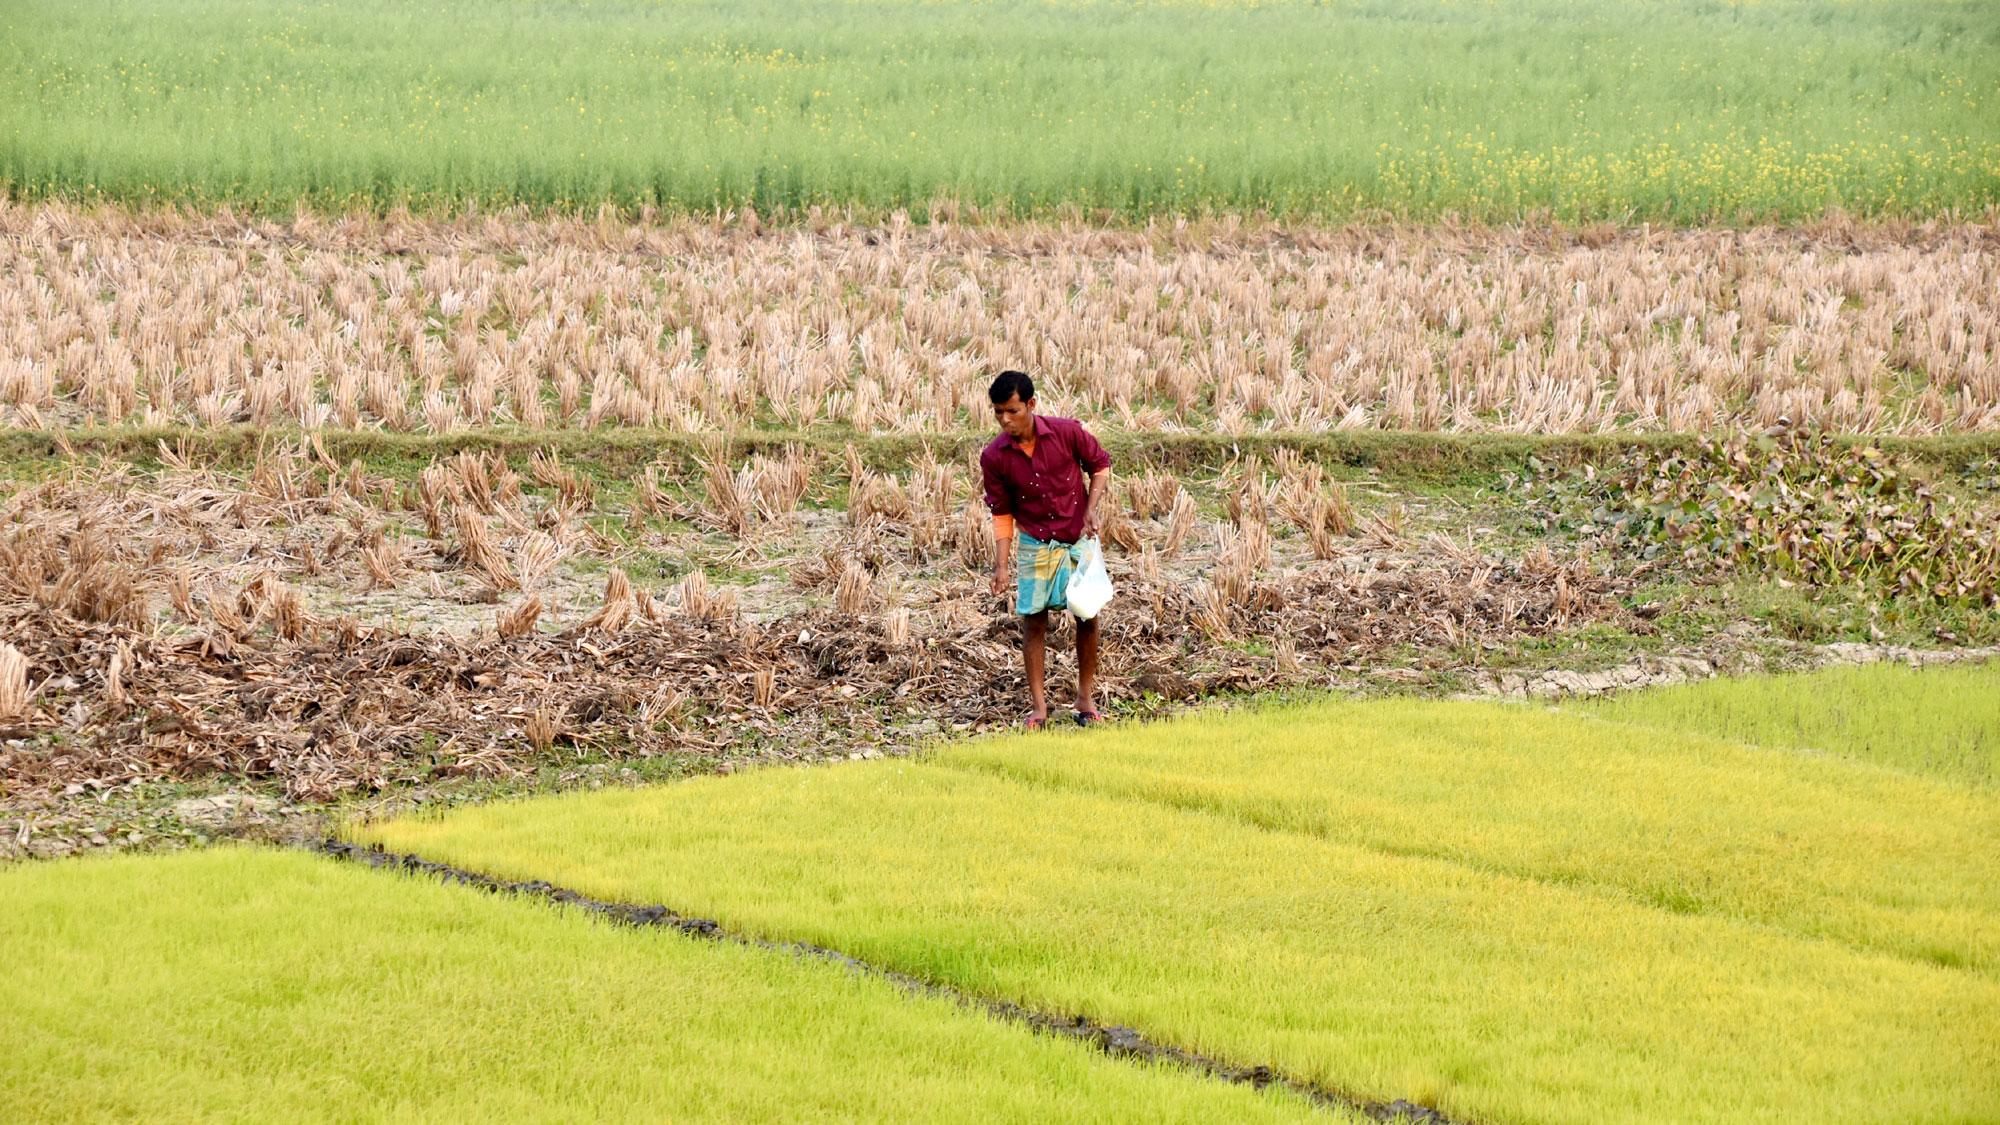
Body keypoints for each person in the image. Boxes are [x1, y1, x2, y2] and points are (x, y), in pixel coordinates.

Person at [978, 370, 1112, 730]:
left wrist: (1090, 510)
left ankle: (1085, 698)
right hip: (1035, 542)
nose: (1005, 420)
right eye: (998, 413)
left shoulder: (1066, 433)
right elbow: (1002, 512)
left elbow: (1100, 465)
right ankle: (1039, 708)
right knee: (1033, 620)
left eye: (1012, 411)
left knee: (1087, 613)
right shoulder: (994, 456)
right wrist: (1001, 566)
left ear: (1031, 405)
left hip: (1076, 538)